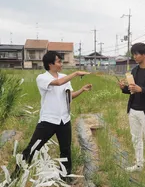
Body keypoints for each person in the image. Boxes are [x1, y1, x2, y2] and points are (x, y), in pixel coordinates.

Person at [17, 51, 91, 180]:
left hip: (64, 119)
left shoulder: (64, 77)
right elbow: (58, 83)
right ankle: (17, 174)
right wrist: (76, 73)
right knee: (34, 147)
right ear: (50, 64)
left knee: (66, 149)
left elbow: (69, 96)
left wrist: (82, 90)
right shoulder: (42, 78)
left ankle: (65, 176)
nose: (61, 64)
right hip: (48, 120)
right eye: (58, 61)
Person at [119, 43, 145, 178]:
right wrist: (123, 88)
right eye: (133, 54)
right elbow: (132, 90)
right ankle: (139, 163)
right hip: (133, 109)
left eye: (137, 54)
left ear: (144, 55)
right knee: (136, 138)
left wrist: (141, 89)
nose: (134, 56)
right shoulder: (134, 70)